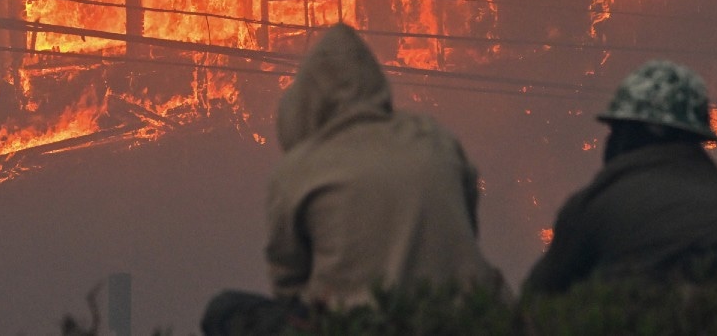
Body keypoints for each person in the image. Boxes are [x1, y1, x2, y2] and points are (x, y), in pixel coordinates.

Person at [202, 23, 505, 334]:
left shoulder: (297, 171)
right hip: (467, 315)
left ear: (308, 103)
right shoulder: (435, 139)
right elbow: (468, 225)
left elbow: (288, 284)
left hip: (357, 325)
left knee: (224, 310)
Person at [522, 60, 717, 296]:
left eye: (616, 129)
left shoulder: (595, 205)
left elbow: (537, 299)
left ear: (633, 131)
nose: (609, 141)